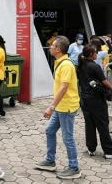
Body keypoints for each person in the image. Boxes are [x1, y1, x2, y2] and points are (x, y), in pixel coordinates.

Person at [35, 36, 81, 179]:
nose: (50, 47)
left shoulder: (66, 65)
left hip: (66, 107)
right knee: (49, 131)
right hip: (61, 106)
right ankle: (50, 161)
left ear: (59, 49)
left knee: (68, 138)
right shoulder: (59, 62)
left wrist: (51, 107)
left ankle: (74, 168)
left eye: (53, 45)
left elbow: (64, 87)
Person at [77, 45, 112, 159]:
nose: (97, 54)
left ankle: (91, 148)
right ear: (91, 54)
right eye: (95, 52)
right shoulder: (94, 66)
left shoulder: (80, 65)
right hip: (96, 100)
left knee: (89, 124)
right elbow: (104, 81)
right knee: (102, 124)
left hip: (84, 99)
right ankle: (108, 151)